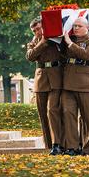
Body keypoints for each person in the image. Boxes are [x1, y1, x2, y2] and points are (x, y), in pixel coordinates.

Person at [60, 17, 89, 156]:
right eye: (74, 26)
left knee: (88, 118)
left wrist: (70, 44)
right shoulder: (68, 40)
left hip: (86, 84)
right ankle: (72, 147)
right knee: (68, 115)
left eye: (79, 26)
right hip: (69, 83)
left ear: (87, 28)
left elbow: (88, 55)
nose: (75, 28)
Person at [26, 17, 64, 155]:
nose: (37, 32)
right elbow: (30, 56)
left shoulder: (55, 39)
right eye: (34, 30)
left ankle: (57, 143)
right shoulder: (33, 42)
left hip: (55, 77)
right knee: (42, 113)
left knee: (52, 110)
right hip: (41, 79)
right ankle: (49, 145)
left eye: (39, 28)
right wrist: (41, 42)